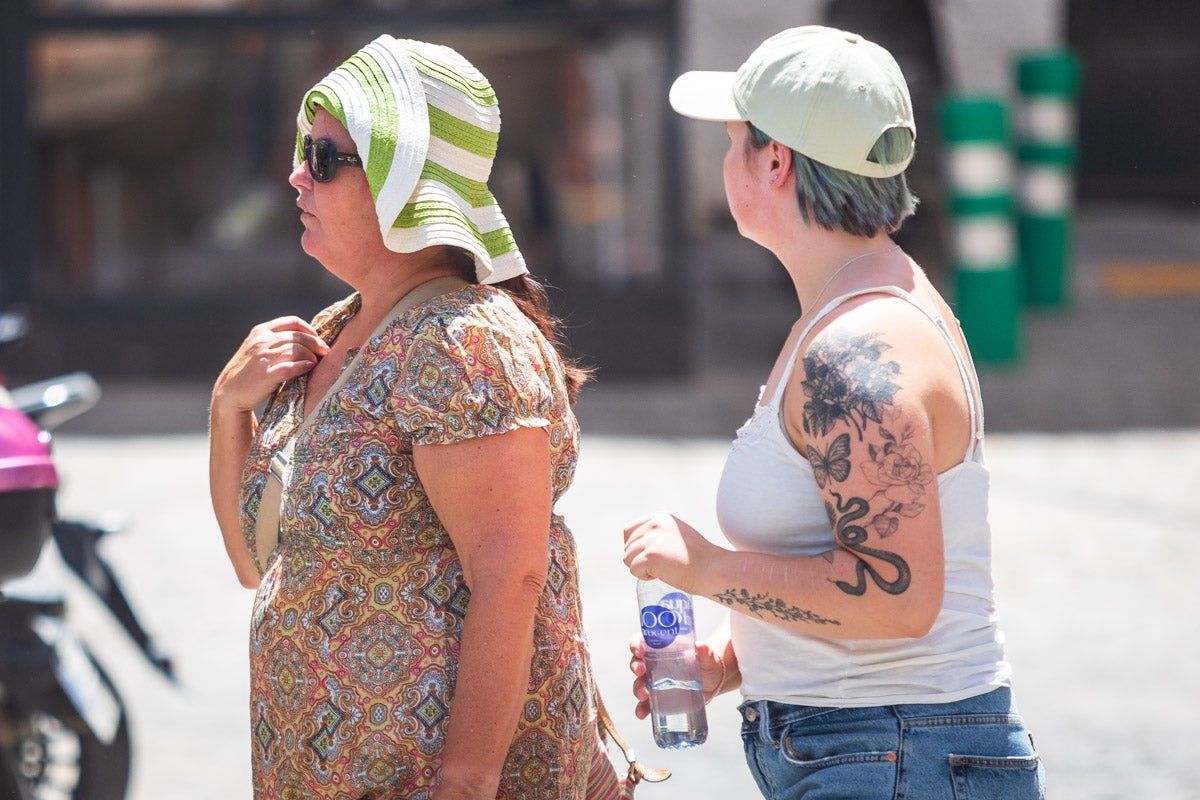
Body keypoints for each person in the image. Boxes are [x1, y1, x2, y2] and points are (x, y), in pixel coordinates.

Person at [622, 26, 1045, 799]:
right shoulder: (859, 310)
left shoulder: (856, 349)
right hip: (883, 747)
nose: (726, 162)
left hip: (893, 750)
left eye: (734, 141)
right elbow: (839, 550)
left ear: (775, 160)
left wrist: (709, 569)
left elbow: (898, 594)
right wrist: (733, 656)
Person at [208, 35, 620, 800]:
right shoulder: (331, 330)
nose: (296, 174)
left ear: (408, 180)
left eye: (326, 158)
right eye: (302, 149)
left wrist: (464, 785)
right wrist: (228, 407)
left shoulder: (464, 341)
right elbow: (256, 567)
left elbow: (511, 578)